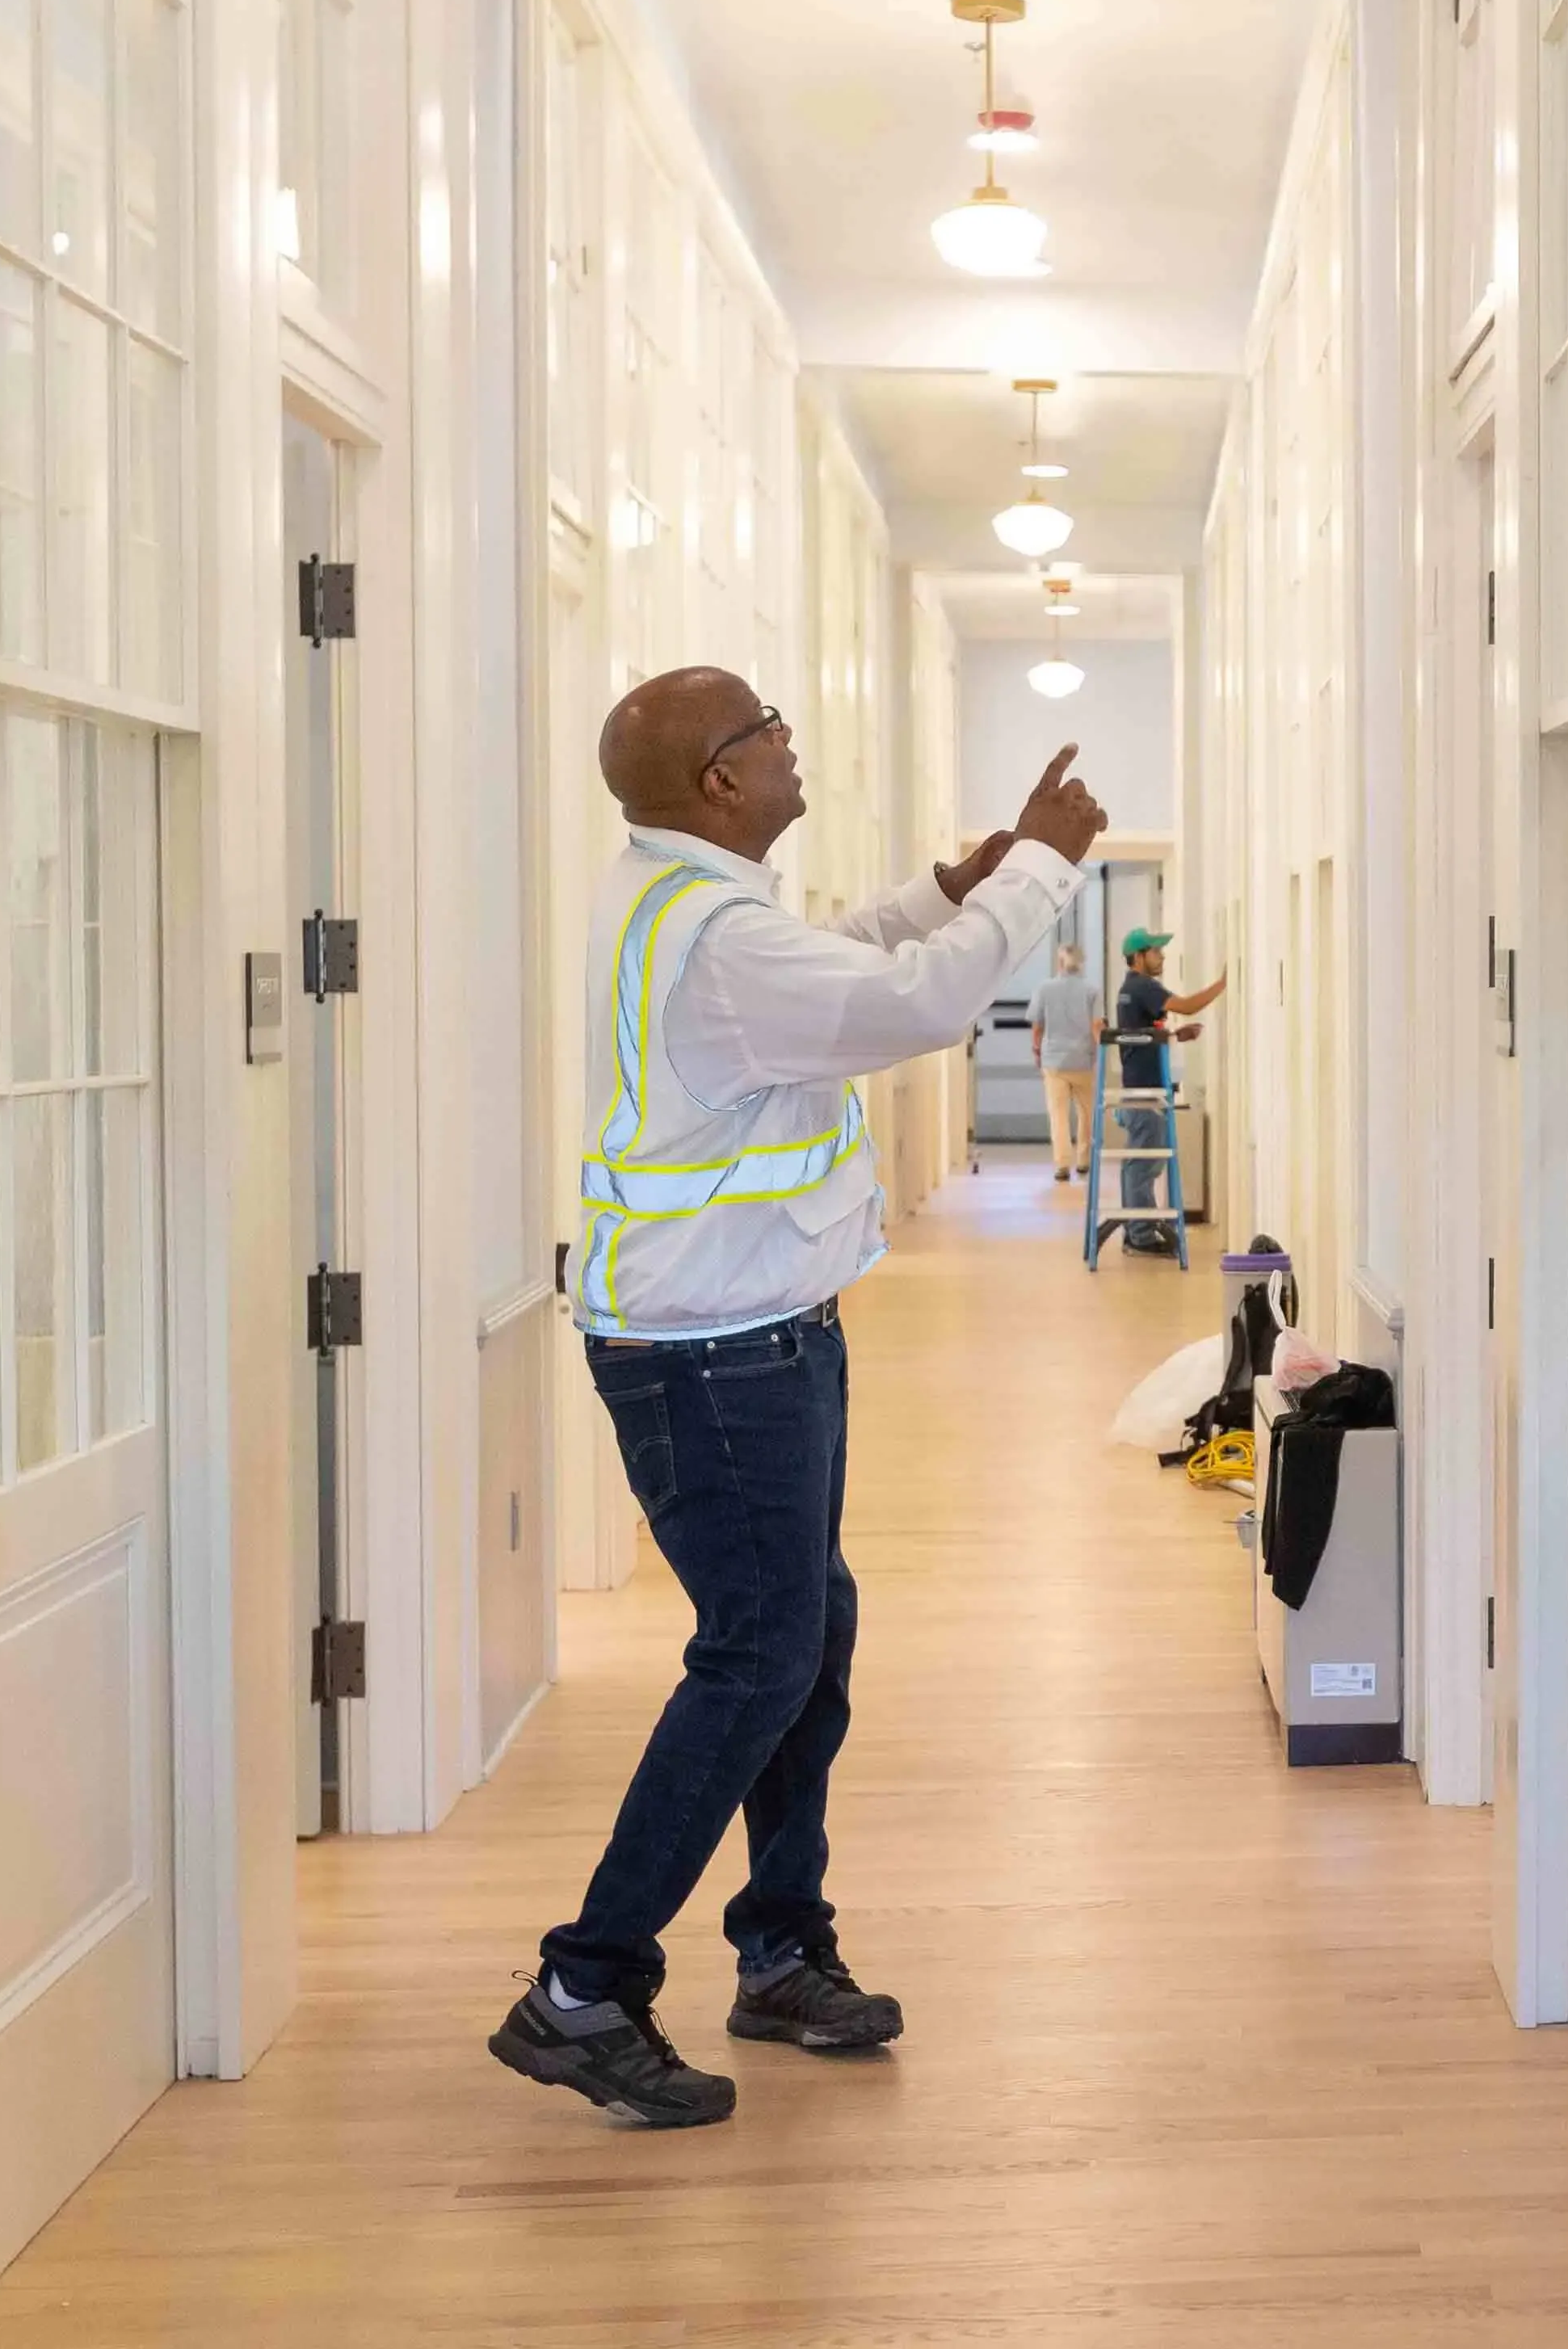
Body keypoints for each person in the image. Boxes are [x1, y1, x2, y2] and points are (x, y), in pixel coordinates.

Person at [489, 666, 1106, 2129]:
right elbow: (917, 1001)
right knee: (761, 1652)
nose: (789, 739)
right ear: (718, 778)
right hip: (713, 1354)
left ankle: (779, 1949)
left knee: (803, 1630)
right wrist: (1035, 873)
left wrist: (941, 882)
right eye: (767, 727)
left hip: (750, 1330)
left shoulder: (684, 901)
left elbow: (835, 960)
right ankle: (584, 1987)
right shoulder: (713, 940)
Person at [1108, 928, 1225, 1254]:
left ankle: (1137, 1232)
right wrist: (1223, 983)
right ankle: (1141, 1236)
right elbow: (1186, 1005)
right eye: (1156, 952)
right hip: (1145, 1090)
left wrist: (1175, 1035)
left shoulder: (1129, 989)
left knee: (1140, 1161)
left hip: (1140, 1085)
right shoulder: (1143, 986)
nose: (1162, 958)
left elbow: (1143, 1034)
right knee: (1144, 1164)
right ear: (1139, 957)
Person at [1030, 939, 1099, 1182]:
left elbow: (1037, 1027)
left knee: (1057, 1114)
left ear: (1059, 962)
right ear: (1080, 964)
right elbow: (1097, 1026)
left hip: (1054, 1061)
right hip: (1083, 1060)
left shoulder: (1045, 989)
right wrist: (1097, 1054)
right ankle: (1084, 1161)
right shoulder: (1092, 990)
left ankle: (1062, 1165)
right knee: (1086, 1113)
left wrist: (1036, 1050)